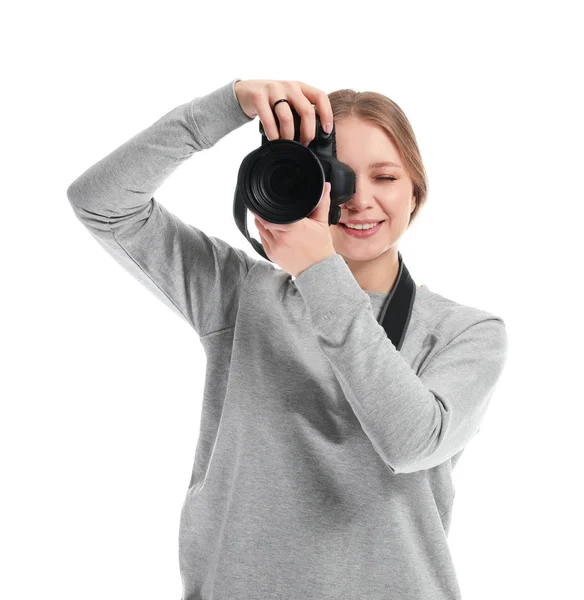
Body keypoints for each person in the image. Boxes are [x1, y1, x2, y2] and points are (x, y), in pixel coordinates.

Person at [67, 78, 509, 600]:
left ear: (416, 191)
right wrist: (226, 106)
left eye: (385, 177)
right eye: (336, 178)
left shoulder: (467, 332)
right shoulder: (240, 295)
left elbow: (410, 443)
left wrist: (319, 268)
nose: (360, 200)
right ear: (296, 184)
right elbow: (101, 202)